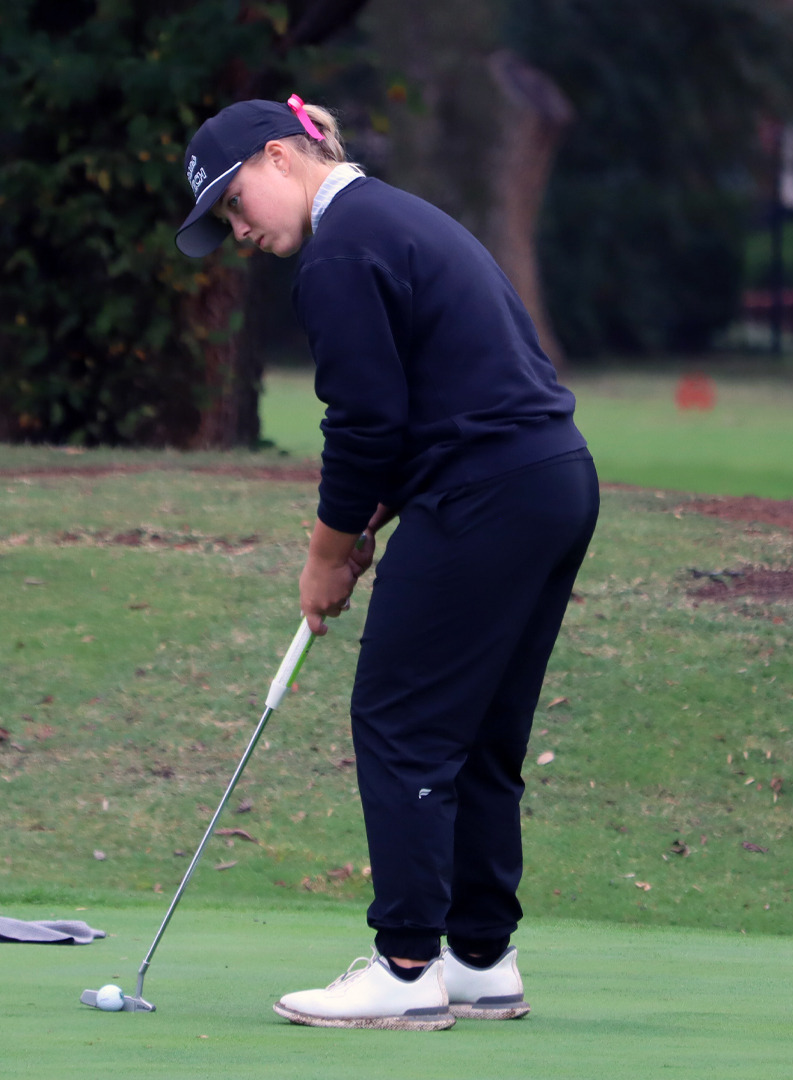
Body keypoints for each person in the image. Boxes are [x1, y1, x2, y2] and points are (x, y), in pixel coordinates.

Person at [175, 95, 599, 1031]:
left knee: (401, 717)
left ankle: (407, 966)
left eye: (236, 203)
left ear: (280, 157)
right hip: (549, 480)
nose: (238, 230)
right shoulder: (393, 218)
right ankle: (478, 958)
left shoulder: (340, 250)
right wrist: (372, 514)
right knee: (478, 728)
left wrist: (327, 555)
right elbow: (428, 398)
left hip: (487, 492)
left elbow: (365, 423)